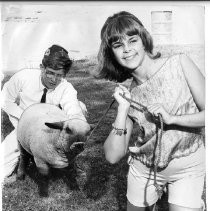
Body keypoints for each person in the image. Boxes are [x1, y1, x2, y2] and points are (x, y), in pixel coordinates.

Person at [96, 11, 205, 211]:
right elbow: (112, 156)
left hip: (188, 165)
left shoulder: (179, 64)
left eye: (132, 40)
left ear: (144, 40)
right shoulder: (129, 94)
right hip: (145, 169)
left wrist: (173, 119)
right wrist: (122, 110)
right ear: (111, 53)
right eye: (118, 45)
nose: (127, 50)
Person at [1, 44, 88, 181]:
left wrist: (79, 130)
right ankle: (27, 157)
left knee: (80, 108)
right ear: (42, 68)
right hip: (26, 124)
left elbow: (74, 112)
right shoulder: (23, 77)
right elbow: (5, 99)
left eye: (59, 75)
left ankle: (70, 163)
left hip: (52, 128)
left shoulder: (66, 88)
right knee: (2, 163)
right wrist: (23, 119)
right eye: (50, 72)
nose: (54, 79)